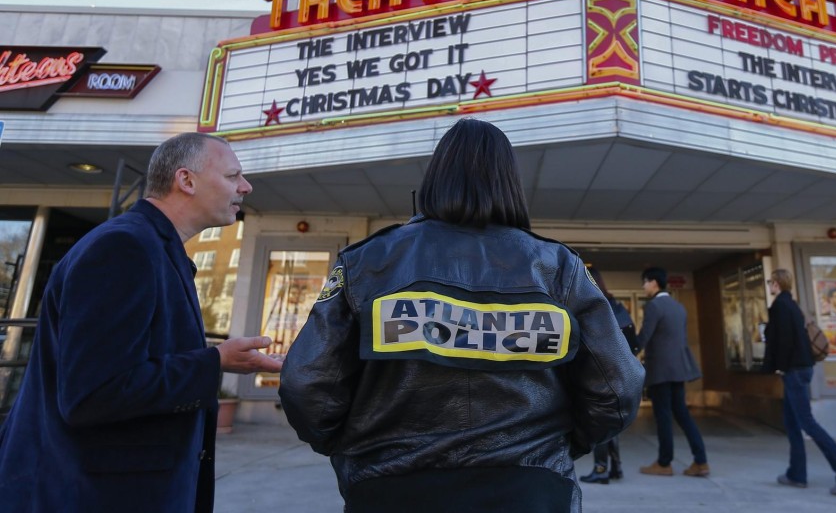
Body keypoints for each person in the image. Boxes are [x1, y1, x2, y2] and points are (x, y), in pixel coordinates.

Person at [279, 118, 644, 513]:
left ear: (435, 178)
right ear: (509, 185)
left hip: (389, 488)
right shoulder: (558, 267)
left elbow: (307, 385)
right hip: (531, 490)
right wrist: (556, 450)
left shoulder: (366, 262)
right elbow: (617, 388)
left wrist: (357, 451)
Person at [0, 132, 283, 513]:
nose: (245, 187)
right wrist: (216, 362)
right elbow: (92, 394)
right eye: (233, 176)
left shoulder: (153, 247)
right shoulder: (123, 248)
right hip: (89, 494)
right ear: (186, 180)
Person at [762, 268, 836, 495]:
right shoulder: (793, 305)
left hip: (793, 371)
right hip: (803, 368)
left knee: (806, 423)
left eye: (770, 282)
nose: (770, 286)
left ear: (776, 284)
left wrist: (777, 366)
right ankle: (796, 474)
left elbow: (783, 341)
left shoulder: (780, 306)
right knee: (792, 422)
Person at [636, 267, 710, 478]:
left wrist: (627, 351)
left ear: (653, 283)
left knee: (663, 417)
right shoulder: (679, 307)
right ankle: (701, 460)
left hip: (660, 370)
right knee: (683, 415)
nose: (643, 286)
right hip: (679, 369)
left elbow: (644, 338)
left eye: (645, 282)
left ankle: (664, 462)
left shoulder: (654, 307)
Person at [579, 266, 640, 484]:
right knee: (611, 422)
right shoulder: (616, 306)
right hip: (619, 374)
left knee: (599, 421)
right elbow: (634, 343)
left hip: (600, 374)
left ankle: (601, 468)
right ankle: (616, 468)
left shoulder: (596, 306)